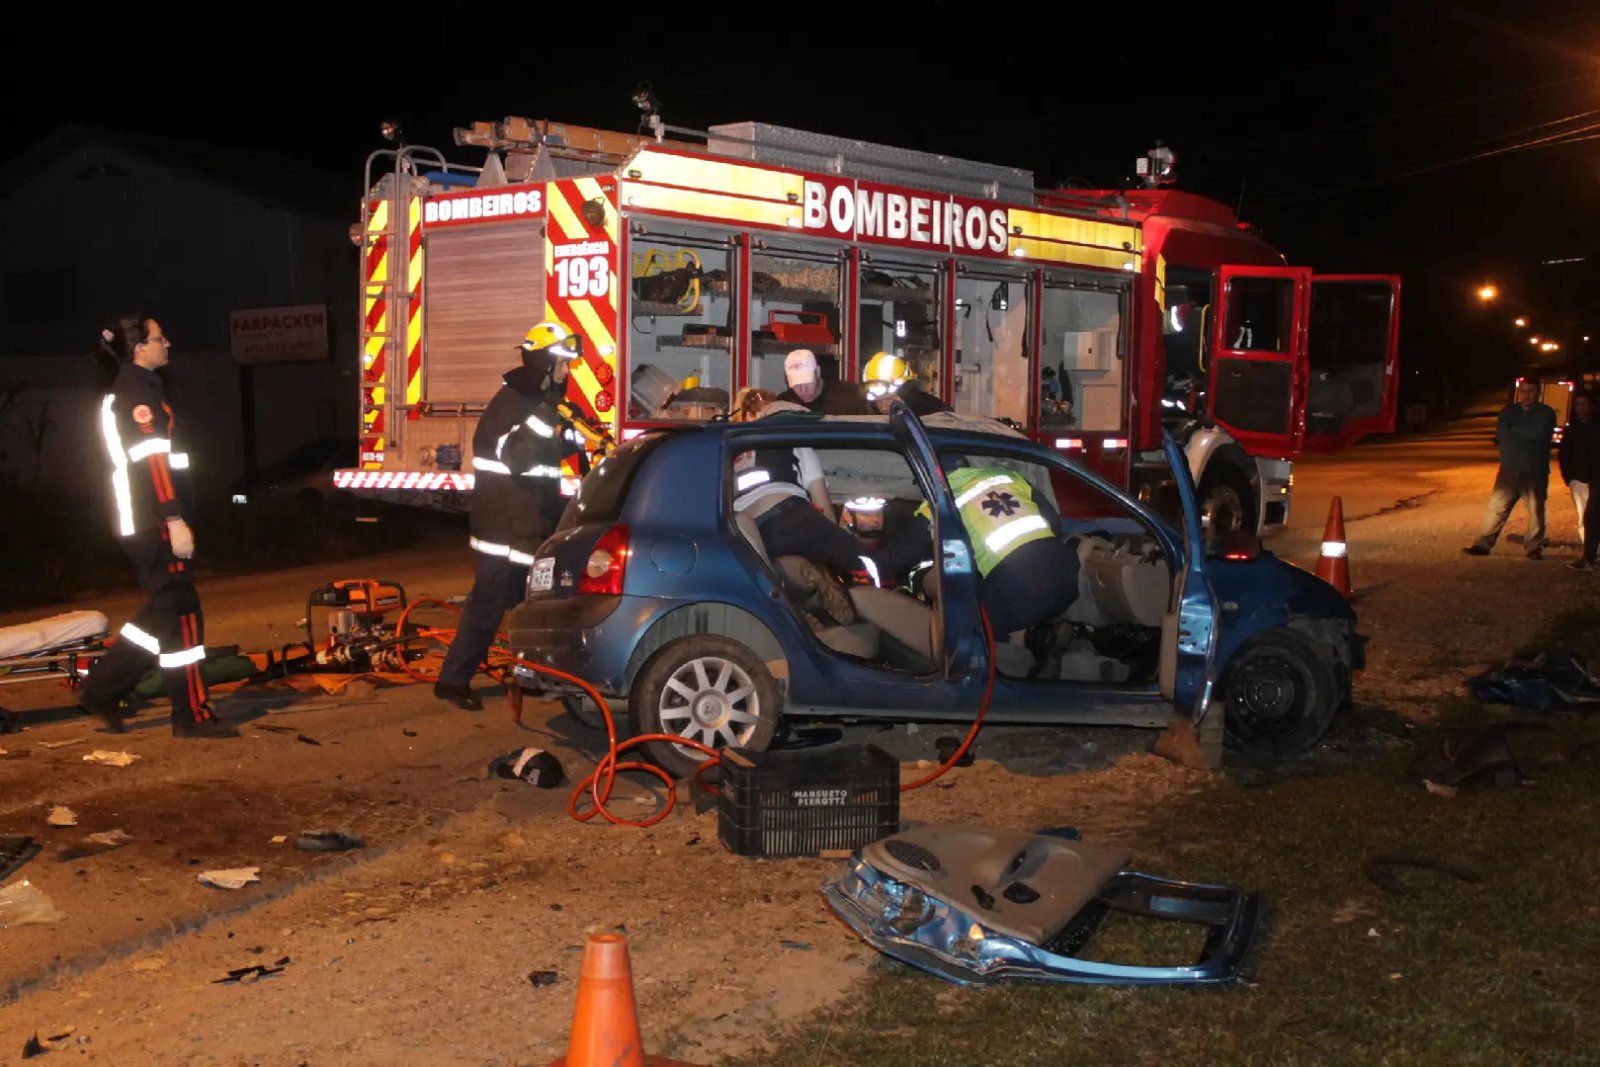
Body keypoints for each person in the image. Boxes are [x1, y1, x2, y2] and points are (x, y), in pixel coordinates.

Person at [76, 314, 237, 738]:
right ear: (139, 348)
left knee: (163, 613)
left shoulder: (137, 390)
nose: (167, 343)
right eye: (159, 337)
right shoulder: (137, 395)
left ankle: (102, 689)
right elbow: (153, 464)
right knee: (182, 615)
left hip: (147, 520)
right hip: (155, 521)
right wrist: (173, 517)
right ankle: (190, 715)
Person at [434, 322, 578, 710]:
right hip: (504, 532)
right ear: (545, 363)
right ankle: (451, 681)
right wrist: (548, 414)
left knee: (528, 609)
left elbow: (540, 457)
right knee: (488, 606)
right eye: (562, 364)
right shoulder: (513, 403)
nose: (566, 372)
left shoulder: (533, 403)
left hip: (526, 527)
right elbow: (517, 457)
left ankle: (532, 676)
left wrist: (571, 442)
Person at [878, 462, 1079, 641]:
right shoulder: (1010, 478)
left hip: (1015, 594)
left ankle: (1033, 640)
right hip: (1067, 578)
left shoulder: (938, 504)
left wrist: (866, 565)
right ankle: (1054, 632)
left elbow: (898, 558)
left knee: (960, 621)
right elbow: (1054, 524)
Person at [729, 387, 879, 624]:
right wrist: (835, 537)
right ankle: (858, 608)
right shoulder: (790, 438)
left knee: (781, 571)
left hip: (755, 534)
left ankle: (803, 606)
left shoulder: (730, 449)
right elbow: (821, 498)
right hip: (791, 517)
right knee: (867, 567)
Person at [1465, 379, 1557, 559]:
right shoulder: (1509, 411)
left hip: (1534, 469)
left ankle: (1534, 547)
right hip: (1509, 468)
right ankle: (1483, 544)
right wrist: (1523, 432)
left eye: (1531, 391)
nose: (1526, 395)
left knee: (1535, 510)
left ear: (1538, 393)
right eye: (1523, 391)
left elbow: (1538, 434)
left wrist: (1514, 430)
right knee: (1497, 507)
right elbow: (1501, 434)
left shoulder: (1546, 412)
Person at [775, 348, 872, 415]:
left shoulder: (849, 396)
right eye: (796, 385)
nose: (803, 390)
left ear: (818, 372)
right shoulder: (783, 404)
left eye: (807, 382)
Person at [1559, 392, 1596, 558]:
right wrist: (1569, 477)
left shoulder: (1596, 427)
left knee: (1594, 515)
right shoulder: (1572, 430)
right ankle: (1588, 549)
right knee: (1583, 516)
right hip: (1578, 480)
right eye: (1578, 405)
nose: (1581, 408)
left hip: (1595, 479)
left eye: (1584, 404)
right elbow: (1564, 455)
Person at [861, 351, 951, 416]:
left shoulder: (929, 407)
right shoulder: (866, 411)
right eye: (878, 400)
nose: (883, 406)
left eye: (888, 398)